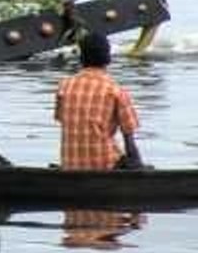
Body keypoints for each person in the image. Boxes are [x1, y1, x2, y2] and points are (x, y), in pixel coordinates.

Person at [54, 31, 143, 170]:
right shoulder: (115, 91)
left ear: (81, 58)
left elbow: (61, 119)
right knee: (132, 161)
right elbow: (129, 143)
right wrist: (139, 167)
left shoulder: (64, 86)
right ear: (108, 58)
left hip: (70, 165)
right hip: (104, 165)